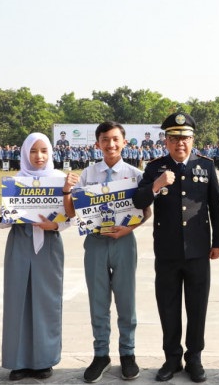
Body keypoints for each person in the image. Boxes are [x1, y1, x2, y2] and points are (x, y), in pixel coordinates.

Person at [133, 112, 219, 383]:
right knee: (169, 306)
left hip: (199, 250)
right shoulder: (155, 168)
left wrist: (218, 241)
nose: (180, 143)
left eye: (184, 138)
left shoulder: (205, 165)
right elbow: (138, 201)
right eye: (174, 138)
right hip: (167, 252)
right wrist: (156, 185)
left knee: (197, 307)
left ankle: (194, 358)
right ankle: (171, 358)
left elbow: (215, 208)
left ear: (192, 139)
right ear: (166, 141)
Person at [63, 121, 151, 383]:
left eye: (115, 139)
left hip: (124, 241)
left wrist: (127, 229)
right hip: (95, 241)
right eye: (105, 139)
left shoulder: (136, 174)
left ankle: (128, 353)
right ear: (98, 143)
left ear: (125, 142)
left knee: (126, 300)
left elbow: (145, 212)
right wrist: (68, 190)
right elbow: (71, 213)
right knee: (98, 301)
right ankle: (101, 353)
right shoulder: (88, 174)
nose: (110, 144)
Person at [0, 133, 71, 381]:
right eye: (33, 151)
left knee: (47, 301)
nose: (39, 156)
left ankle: (44, 360)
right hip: (20, 242)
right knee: (17, 300)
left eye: (43, 150)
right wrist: (1, 216)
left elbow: (69, 216)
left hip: (49, 245)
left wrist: (57, 226)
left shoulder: (60, 180)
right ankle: (18, 361)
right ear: (24, 153)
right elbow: (5, 218)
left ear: (50, 153)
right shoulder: (16, 181)